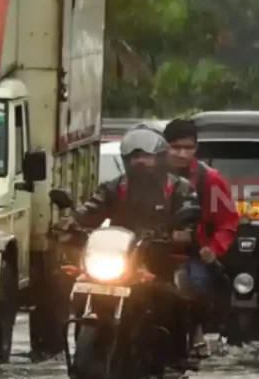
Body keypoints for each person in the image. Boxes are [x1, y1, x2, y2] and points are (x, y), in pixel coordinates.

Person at [59, 128, 201, 359]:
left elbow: (189, 213)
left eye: (146, 156)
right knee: (79, 286)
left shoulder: (178, 188)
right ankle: (83, 353)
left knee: (177, 295)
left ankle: (175, 357)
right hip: (119, 257)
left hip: (159, 259)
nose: (140, 162)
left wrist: (179, 232)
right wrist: (69, 225)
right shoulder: (115, 187)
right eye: (135, 157)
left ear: (160, 158)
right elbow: (91, 210)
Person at [163, 118, 239, 358]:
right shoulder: (148, 174)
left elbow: (228, 221)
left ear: (196, 148)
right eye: (176, 147)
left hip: (192, 253)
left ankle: (196, 332)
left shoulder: (210, 179)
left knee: (195, 284)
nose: (182, 153)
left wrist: (213, 249)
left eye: (188, 148)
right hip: (152, 248)